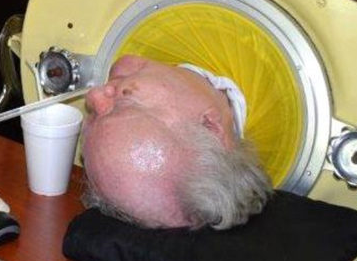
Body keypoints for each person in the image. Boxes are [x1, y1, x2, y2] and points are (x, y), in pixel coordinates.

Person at [80, 55, 272, 230]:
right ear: (210, 126)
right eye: (125, 104)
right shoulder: (273, 81)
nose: (93, 96)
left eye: (93, 116)